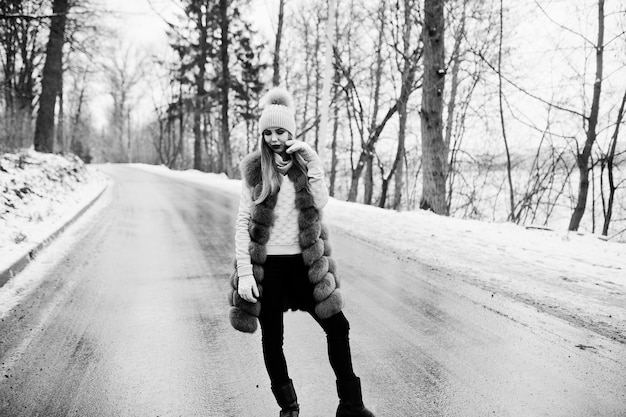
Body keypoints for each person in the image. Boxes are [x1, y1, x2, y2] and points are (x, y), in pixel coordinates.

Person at [228, 87, 375, 417]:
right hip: (268, 268)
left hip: (305, 266)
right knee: (272, 339)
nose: (273, 138)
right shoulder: (255, 171)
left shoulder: (304, 165)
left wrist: (312, 160)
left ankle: (351, 404)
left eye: (280, 131)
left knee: (338, 326)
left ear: (291, 132)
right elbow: (242, 224)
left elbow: (321, 202)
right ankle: (289, 408)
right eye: (267, 132)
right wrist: (245, 274)